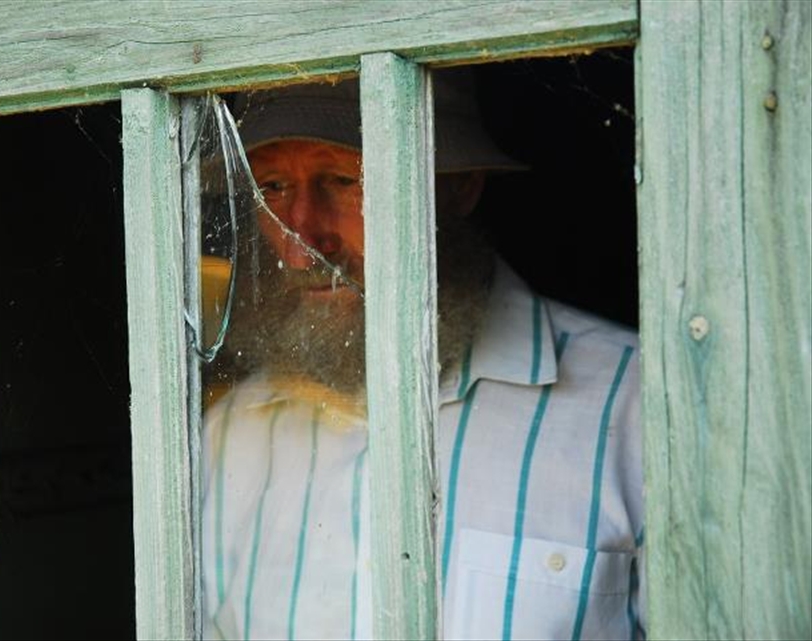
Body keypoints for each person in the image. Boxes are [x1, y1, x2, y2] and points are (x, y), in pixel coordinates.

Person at [201, 71, 643, 640]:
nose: (300, 241)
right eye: (273, 188)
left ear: (461, 185)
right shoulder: (231, 437)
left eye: (342, 178)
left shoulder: (634, 406)